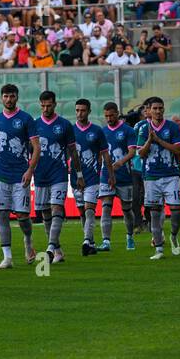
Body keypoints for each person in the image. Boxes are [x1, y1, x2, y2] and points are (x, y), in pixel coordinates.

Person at [0, 83, 40, 269]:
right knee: (2, 214)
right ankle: (7, 257)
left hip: (20, 175)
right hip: (0, 173)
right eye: (6, 96)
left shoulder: (26, 119)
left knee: (23, 216)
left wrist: (30, 170)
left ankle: (28, 240)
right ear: (1, 98)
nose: (9, 99)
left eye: (12, 96)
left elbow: (37, 147)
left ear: (17, 97)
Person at [136, 96, 180, 259]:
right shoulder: (143, 129)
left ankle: (173, 236)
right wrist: (150, 140)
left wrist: (158, 140)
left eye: (160, 108)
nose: (158, 111)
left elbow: (178, 150)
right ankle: (159, 249)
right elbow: (141, 154)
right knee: (155, 215)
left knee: (176, 212)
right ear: (148, 110)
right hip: (151, 177)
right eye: (154, 108)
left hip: (171, 175)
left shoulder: (172, 127)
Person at [32, 90, 77, 262]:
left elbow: (73, 150)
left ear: (55, 104)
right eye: (43, 105)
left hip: (59, 174)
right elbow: (30, 151)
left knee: (57, 208)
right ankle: (57, 250)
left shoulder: (64, 125)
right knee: (45, 213)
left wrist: (78, 173)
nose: (45, 108)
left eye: (49, 105)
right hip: (41, 174)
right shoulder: (35, 125)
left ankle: (50, 247)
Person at [70, 98, 110, 256]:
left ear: (89, 112)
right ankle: (91, 243)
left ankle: (86, 240)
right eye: (77, 110)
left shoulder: (97, 131)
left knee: (89, 210)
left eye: (83, 110)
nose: (80, 113)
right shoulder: (70, 130)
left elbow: (105, 154)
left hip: (92, 178)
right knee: (81, 212)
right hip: (75, 178)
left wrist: (110, 174)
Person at [99, 101, 138, 251]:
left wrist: (120, 162)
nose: (109, 118)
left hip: (124, 176)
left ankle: (129, 236)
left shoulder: (128, 131)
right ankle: (106, 241)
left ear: (117, 113)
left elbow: (132, 152)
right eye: (106, 116)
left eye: (111, 115)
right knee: (106, 207)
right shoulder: (102, 132)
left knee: (126, 209)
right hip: (106, 175)